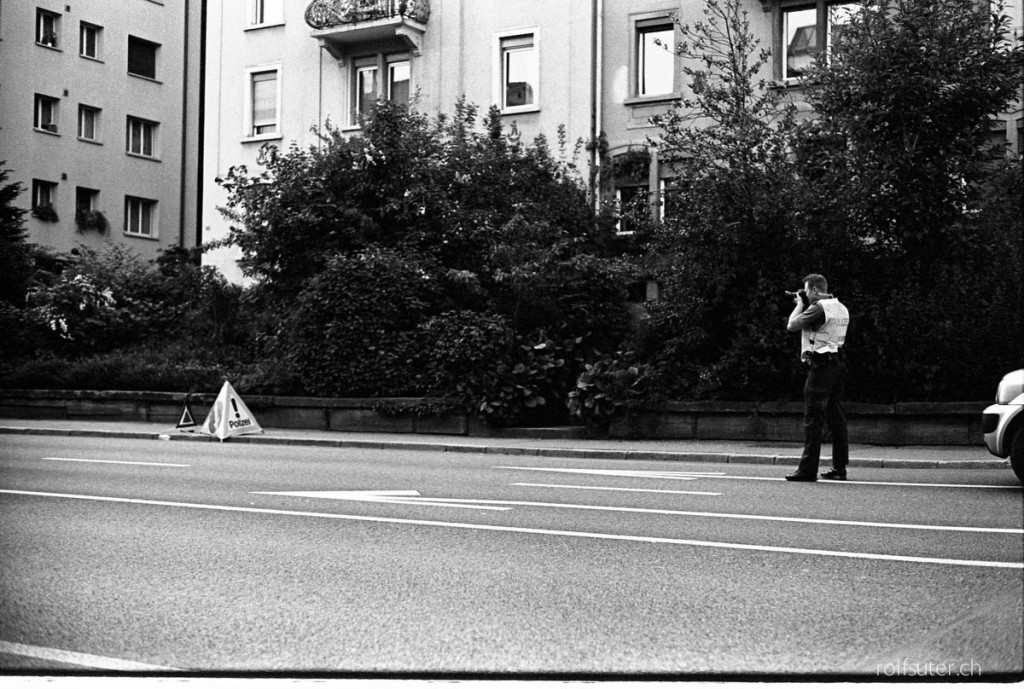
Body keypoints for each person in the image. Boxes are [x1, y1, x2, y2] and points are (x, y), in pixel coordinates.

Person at [784, 273, 850, 482]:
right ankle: (839, 468)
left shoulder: (817, 308)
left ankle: (807, 469)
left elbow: (792, 325)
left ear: (813, 290)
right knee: (836, 417)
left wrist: (799, 304)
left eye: (807, 290)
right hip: (837, 363)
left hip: (821, 365)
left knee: (813, 418)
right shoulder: (839, 306)